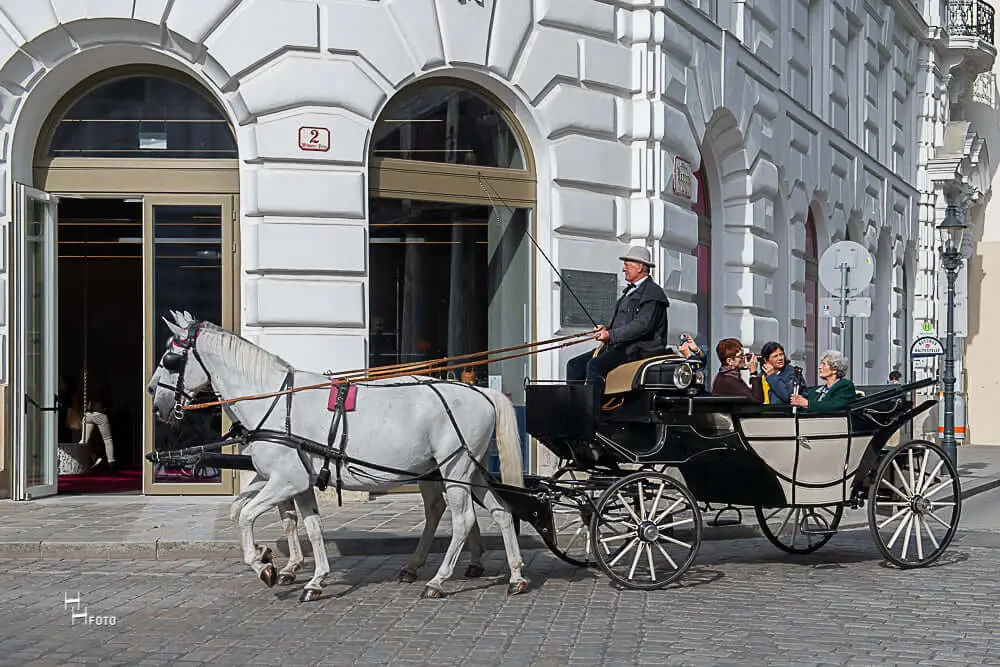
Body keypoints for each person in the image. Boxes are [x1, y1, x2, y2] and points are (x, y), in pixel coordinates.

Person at [566, 246, 670, 399]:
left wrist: (610, 335)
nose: (623, 269)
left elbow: (642, 325)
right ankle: (575, 411)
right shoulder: (629, 292)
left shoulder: (653, 293)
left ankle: (595, 413)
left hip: (638, 350)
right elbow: (625, 323)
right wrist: (606, 329)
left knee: (595, 366)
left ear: (640, 267)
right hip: (620, 346)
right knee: (574, 365)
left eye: (627, 264)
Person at [72, 370, 118, 473]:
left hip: (88, 413)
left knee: (84, 441)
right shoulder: (102, 384)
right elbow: (109, 399)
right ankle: (112, 462)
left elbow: (77, 398)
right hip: (100, 412)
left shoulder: (84, 385)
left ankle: (89, 459)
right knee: (107, 440)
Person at [790, 350, 857, 413]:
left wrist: (806, 403)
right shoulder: (817, 390)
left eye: (824, 364)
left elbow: (834, 406)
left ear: (834, 370)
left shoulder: (845, 386)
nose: (819, 367)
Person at [710, 338, 764, 403]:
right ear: (729, 361)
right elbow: (757, 400)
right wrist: (753, 373)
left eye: (744, 355)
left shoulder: (726, 376)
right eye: (740, 356)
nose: (744, 358)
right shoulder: (728, 380)